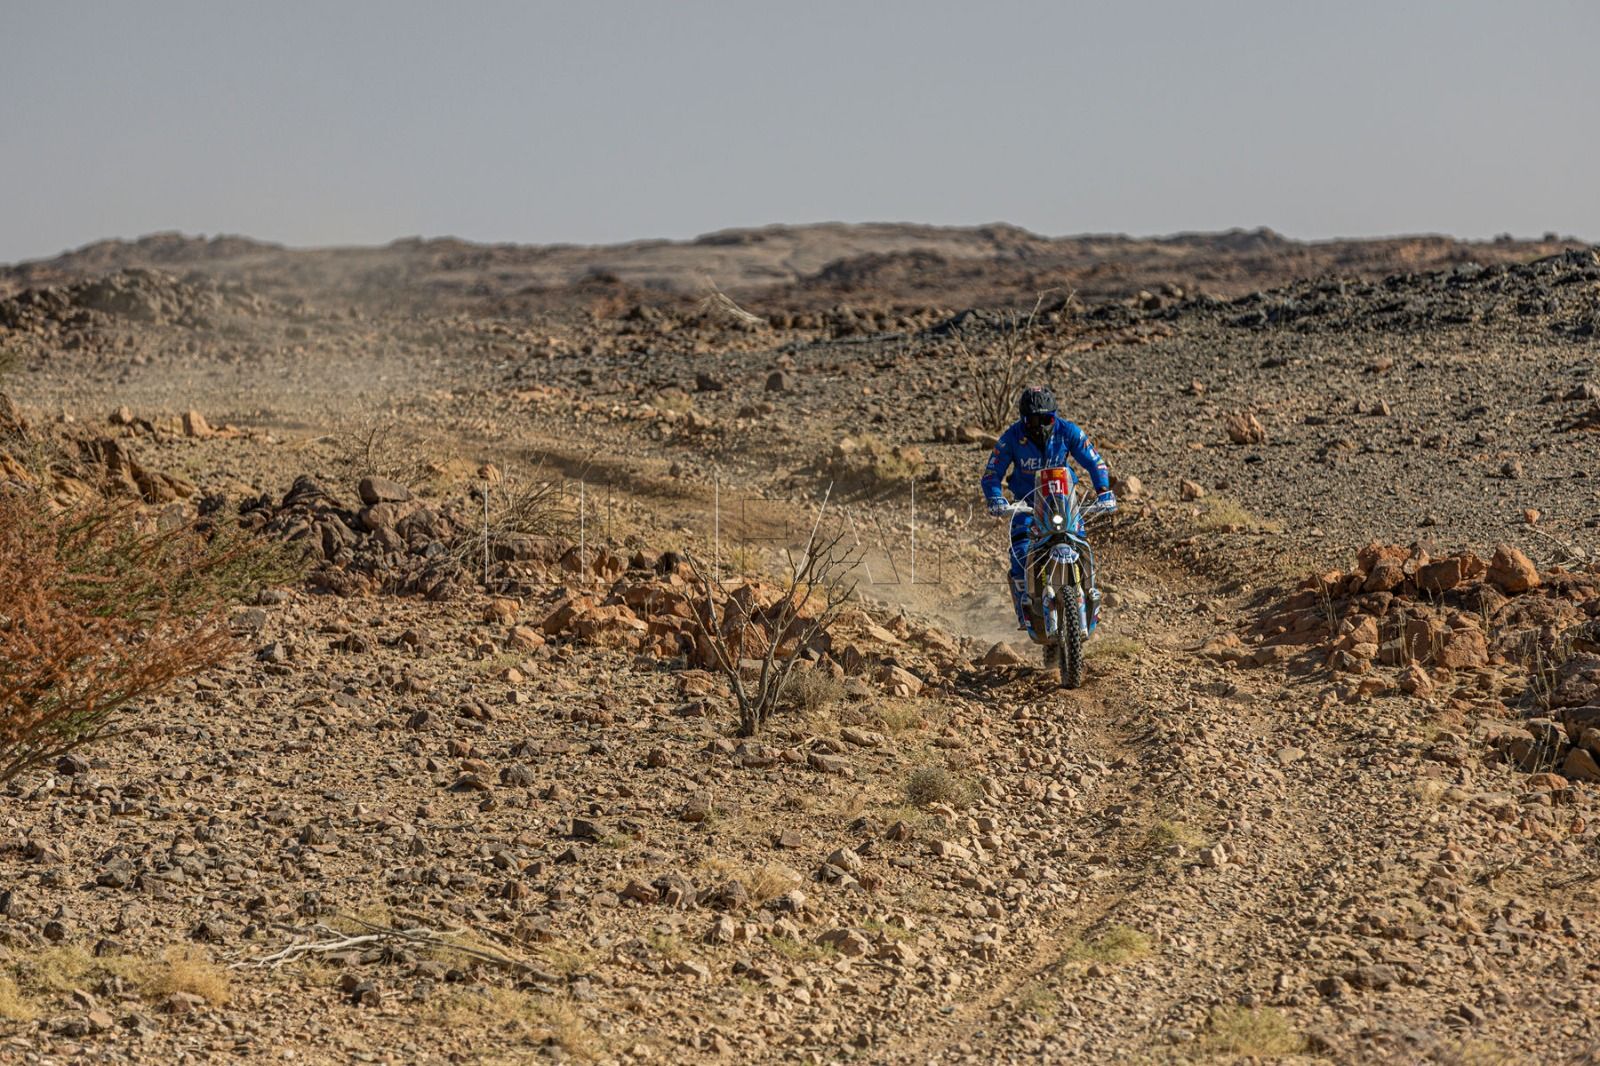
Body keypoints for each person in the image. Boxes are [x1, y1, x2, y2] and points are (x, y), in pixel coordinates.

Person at [980, 386, 1115, 631]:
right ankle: (1025, 609)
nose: (1040, 425)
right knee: (1020, 553)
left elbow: (1094, 461)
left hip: (1064, 504)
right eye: (1033, 420)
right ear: (1023, 418)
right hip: (1027, 507)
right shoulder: (1011, 437)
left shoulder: (1068, 431)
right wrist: (996, 498)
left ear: (1055, 416)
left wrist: (1103, 490)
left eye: (1046, 419)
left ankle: (1091, 596)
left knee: (1082, 546)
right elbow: (991, 473)